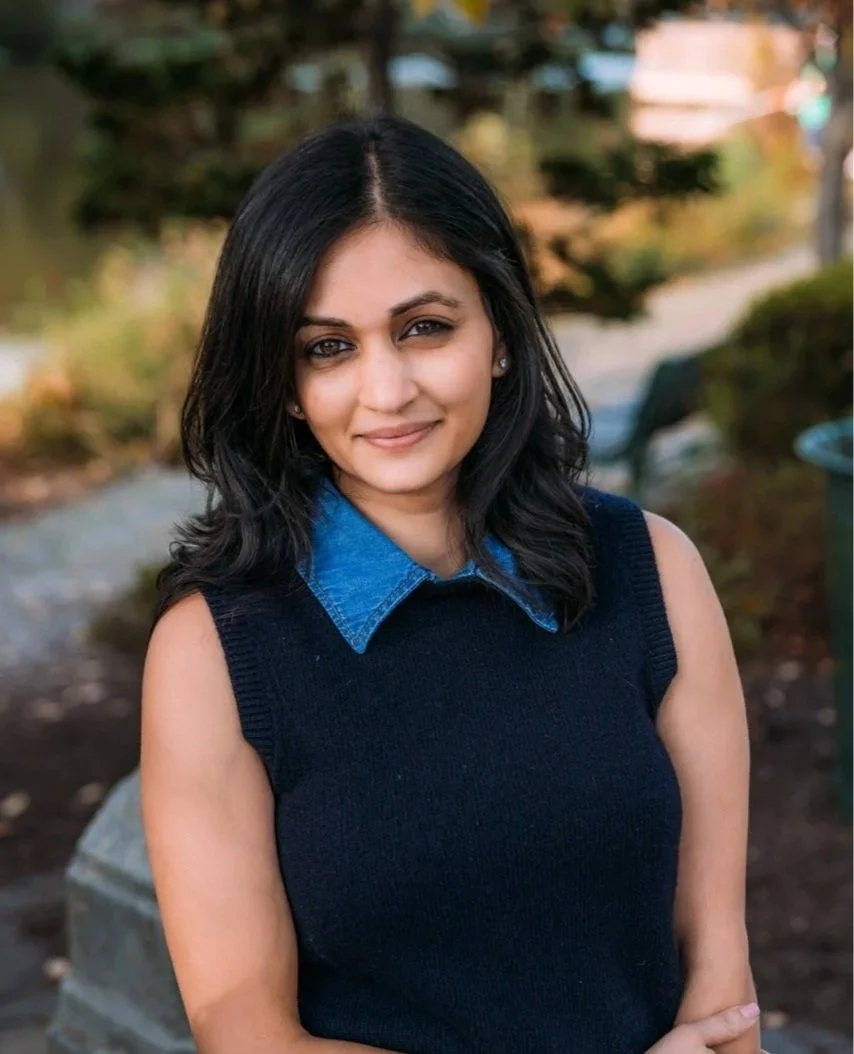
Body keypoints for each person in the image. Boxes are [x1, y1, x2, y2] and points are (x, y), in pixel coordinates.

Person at [140, 115, 766, 1054]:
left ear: (502, 336)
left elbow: (723, 986)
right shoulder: (213, 655)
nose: (386, 390)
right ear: (281, 382)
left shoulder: (654, 573)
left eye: (424, 328)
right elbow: (248, 1037)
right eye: (328, 348)